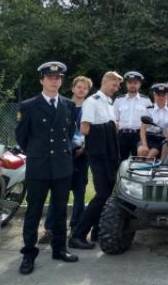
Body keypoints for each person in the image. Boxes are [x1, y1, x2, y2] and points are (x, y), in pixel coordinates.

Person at [16, 61, 79, 275]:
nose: (54, 81)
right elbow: (22, 137)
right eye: (50, 78)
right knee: (33, 211)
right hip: (39, 166)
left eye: (58, 78)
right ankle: (29, 253)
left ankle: (59, 249)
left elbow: (68, 134)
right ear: (41, 80)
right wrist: (37, 152)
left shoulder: (69, 105)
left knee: (60, 211)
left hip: (62, 166)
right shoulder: (28, 106)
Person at [69, 71, 123, 250]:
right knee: (102, 194)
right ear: (105, 82)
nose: (116, 88)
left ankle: (97, 231)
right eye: (114, 85)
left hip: (108, 154)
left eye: (118, 86)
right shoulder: (92, 102)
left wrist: (112, 128)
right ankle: (78, 234)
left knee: (107, 193)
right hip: (97, 154)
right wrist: (109, 128)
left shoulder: (109, 103)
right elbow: (84, 129)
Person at [39, 76, 93, 245]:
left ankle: (75, 228)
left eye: (85, 88)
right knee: (57, 194)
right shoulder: (61, 105)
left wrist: (84, 148)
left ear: (88, 91)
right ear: (73, 88)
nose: (81, 90)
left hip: (81, 156)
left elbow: (92, 132)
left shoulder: (90, 108)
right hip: (62, 156)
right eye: (79, 87)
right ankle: (50, 229)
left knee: (79, 193)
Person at [114, 71, 152, 161]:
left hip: (139, 135)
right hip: (122, 135)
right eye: (130, 83)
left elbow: (150, 121)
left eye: (135, 83)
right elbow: (114, 119)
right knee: (119, 161)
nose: (132, 85)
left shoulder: (146, 101)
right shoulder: (119, 100)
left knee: (138, 162)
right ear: (126, 84)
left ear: (139, 85)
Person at [138, 83, 168, 158]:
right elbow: (143, 129)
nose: (161, 97)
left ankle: (159, 164)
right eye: (158, 95)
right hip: (150, 137)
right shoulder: (148, 109)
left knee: (153, 153)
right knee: (142, 151)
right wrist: (144, 145)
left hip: (165, 139)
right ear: (154, 95)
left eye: (163, 95)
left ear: (167, 96)